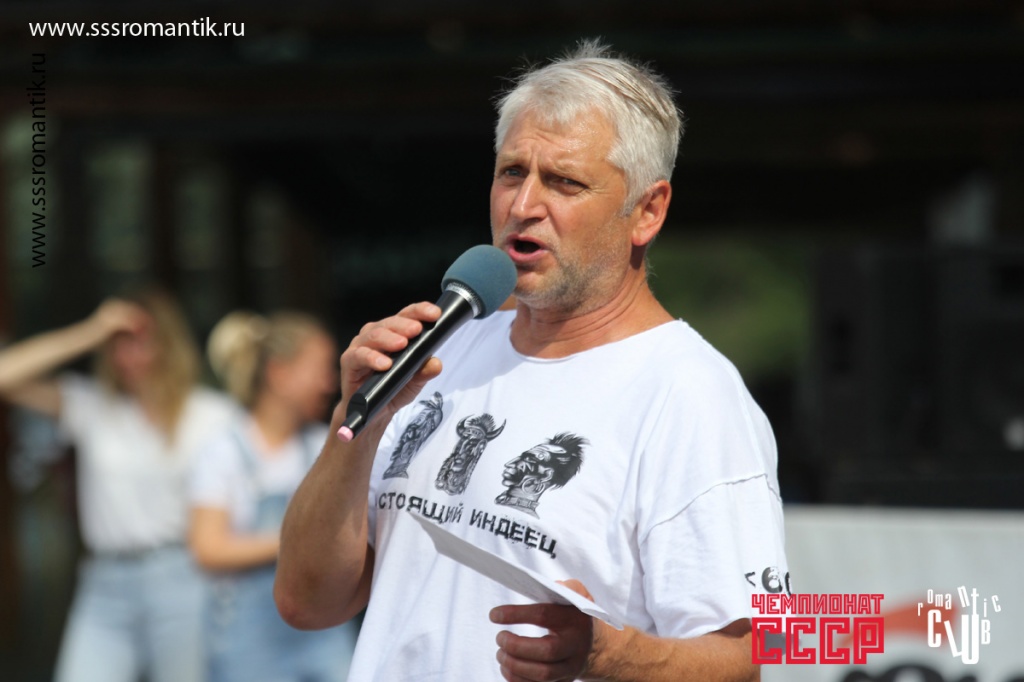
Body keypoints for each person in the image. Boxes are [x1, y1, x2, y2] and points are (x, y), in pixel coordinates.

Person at [274, 39, 789, 681]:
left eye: (565, 182)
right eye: (512, 172)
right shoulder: (442, 349)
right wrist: (355, 424)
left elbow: (754, 657)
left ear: (647, 211)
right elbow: (306, 602)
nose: (523, 206)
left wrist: (604, 654)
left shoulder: (691, 394)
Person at [0, 289, 237, 682]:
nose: (128, 357)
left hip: (181, 577)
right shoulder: (91, 405)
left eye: (141, 342)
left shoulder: (211, 415)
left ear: (169, 345)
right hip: (104, 582)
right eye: (117, 345)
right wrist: (91, 331)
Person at [189, 311, 358, 682]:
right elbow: (208, 549)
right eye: (320, 368)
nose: (329, 383)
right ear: (279, 373)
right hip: (250, 642)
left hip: (323, 635)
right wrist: (300, 539)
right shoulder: (224, 451)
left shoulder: (323, 445)